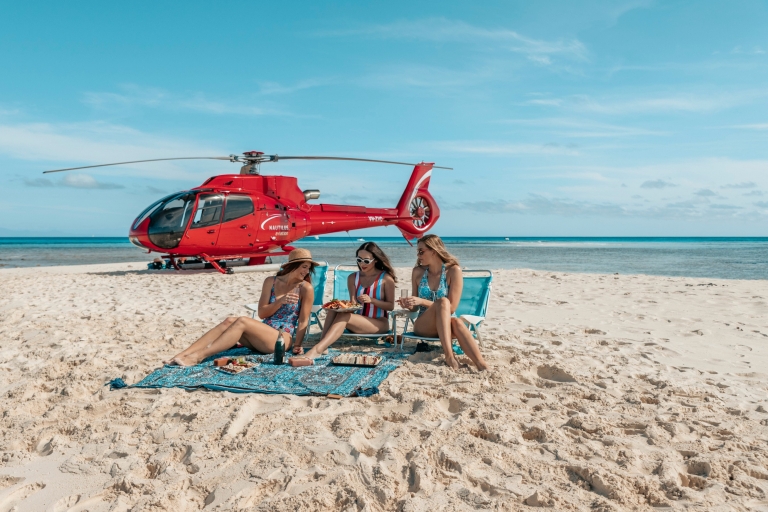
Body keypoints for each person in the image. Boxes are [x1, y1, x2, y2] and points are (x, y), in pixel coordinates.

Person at [164, 249, 317, 366]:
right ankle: (182, 355)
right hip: (263, 335)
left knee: (242, 320)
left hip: (282, 338)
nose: (306, 272)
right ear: (292, 266)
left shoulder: (305, 288)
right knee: (230, 320)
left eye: (308, 268)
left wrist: (297, 346)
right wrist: (280, 301)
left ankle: (198, 356)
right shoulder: (271, 281)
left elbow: (303, 321)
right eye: (303, 267)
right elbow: (262, 314)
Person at [398, 234, 488, 371]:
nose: (418, 255)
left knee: (456, 320)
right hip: (424, 326)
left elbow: (451, 308)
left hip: (447, 324)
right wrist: (409, 304)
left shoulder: (453, 271)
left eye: (421, 251)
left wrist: (422, 300)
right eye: (417, 252)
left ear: (433, 251)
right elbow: (414, 310)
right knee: (443, 302)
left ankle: (481, 363)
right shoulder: (418, 272)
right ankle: (449, 356)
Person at [295, 242, 396, 361]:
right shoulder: (353, 277)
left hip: (379, 324)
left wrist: (372, 300)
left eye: (366, 261)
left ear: (376, 260)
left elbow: (390, 306)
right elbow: (353, 304)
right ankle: (323, 344)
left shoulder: (386, 279)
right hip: (358, 322)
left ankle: (317, 350)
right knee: (334, 309)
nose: (361, 263)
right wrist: (339, 306)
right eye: (359, 259)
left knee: (345, 316)